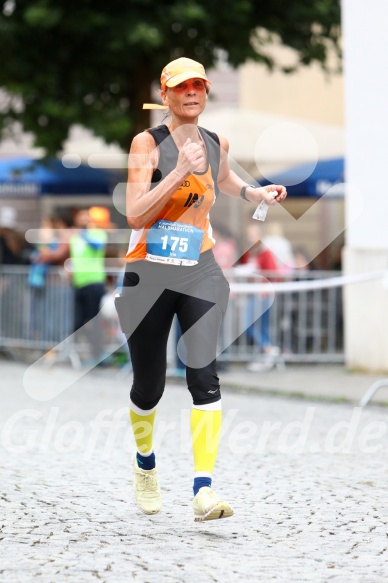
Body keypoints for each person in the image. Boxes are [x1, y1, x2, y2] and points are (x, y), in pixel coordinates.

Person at [117, 56, 287, 521]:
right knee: (148, 387)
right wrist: (176, 173)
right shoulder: (146, 144)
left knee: (203, 375)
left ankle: (203, 490)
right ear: (166, 94)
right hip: (148, 273)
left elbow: (224, 177)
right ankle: (146, 465)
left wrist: (256, 193)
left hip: (200, 270)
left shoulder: (215, 142)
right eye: (183, 86)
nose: (193, 93)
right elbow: (134, 214)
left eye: (200, 86)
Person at [238, 223, 280, 371]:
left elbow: (273, 273)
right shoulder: (249, 253)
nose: (251, 237)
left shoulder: (265, 253)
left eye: (254, 234)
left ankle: (268, 350)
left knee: (253, 324)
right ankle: (267, 352)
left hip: (263, 294)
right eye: (249, 234)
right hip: (254, 293)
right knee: (257, 326)